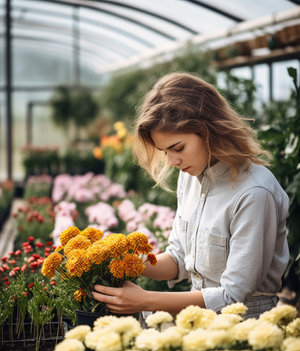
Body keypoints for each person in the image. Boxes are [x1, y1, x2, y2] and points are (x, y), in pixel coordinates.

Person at [93, 72, 289, 319]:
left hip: (244, 325)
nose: (172, 161)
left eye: (178, 148)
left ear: (209, 129)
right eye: (164, 152)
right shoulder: (190, 176)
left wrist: (145, 300)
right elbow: (178, 258)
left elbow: (232, 296)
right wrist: (124, 261)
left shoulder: (254, 193)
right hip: (195, 318)